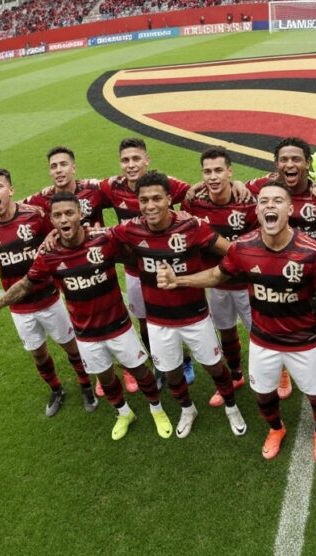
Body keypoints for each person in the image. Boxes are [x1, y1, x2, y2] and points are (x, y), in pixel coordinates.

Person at [157, 180, 316, 463]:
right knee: (263, 394)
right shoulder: (242, 247)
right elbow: (217, 275)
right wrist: (178, 280)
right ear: (256, 211)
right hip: (262, 341)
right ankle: (276, 429)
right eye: (264, 201)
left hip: (303, 341)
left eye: (277, 201)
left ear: (290, 210)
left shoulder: (311, 251)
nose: (270, 205)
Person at [0, 192, 174, 440]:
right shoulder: (48, 255)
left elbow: (135, 254)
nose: (64, 219)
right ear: (51, 220)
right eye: (58, 215)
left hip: (119, 326)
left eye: (69, 213)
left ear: (80, 214)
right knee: (105, 377)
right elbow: (27, 284)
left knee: (140, 371)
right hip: (85, 334)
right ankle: (124, 413)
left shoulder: (103, 240)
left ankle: (156, 409)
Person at [103, 170, 246, 439]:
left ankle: (231, 406)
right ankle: (187, 409)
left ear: (169, 199)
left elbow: (232, 251)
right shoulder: (130, 229)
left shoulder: (192, 226)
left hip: (195, 317)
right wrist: (53, 237)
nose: (150, 205)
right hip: (158, 321)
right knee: (171, 373)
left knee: (215, 366)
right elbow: (95, 237)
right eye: (144, 200)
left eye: (157, 198)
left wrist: (216, 274)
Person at [0, 169, 93, 416]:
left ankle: (86, 386)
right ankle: (56, 390)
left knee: (71, 347)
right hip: (20, 308)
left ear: (10, 190)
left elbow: (59, 233)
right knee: (38, 354)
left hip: (49, 298)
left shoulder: (34, 215)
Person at [245, 137, 316, 399]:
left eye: (296, 159)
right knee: (275, 327)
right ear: (276, 164)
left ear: (307, 163)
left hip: (312, 278)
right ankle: (282, 371)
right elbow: (234, 187)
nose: (289, 164)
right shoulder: (264, 187)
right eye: (284, 160)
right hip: (272, 277)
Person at [99, 138, 195, 389]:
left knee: (178, 317)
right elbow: (80, 191)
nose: (131, 165)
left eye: (136, 159)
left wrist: (185, 214)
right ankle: (159, 362)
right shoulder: (113, 186)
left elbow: (195, 192)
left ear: (147, 160)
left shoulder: (164, 183)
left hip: (167, 268)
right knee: (144, 320)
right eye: (125, 160)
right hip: (135, 271)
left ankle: (185, 360)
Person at [182, 146, 257, 407]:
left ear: (230, 172)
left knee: (259, 332)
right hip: (216, 282)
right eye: (207, 172)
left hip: (247, 283)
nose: (213, 177)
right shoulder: (193, 202)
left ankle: (277, 374)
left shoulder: (247, 201)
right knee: (225, 330)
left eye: (218, 171)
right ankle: (236, 375)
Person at [23, 146, 109, 228]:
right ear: (50, 172)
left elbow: (116, 187)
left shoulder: (93, 189)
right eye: (53, 166)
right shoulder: (40, 200)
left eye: (63, 164)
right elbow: (17, 208)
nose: (58, 170)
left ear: (73, 168)